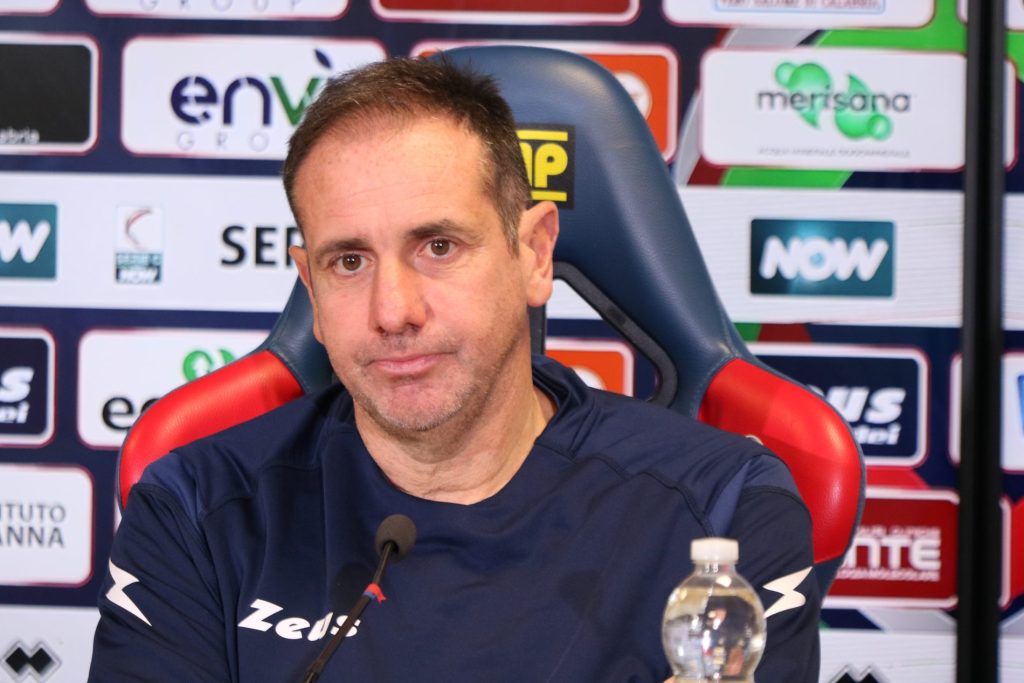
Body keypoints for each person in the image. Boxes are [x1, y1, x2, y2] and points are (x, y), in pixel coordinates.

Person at [89, 56, 820, 682]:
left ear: (534, 253)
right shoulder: (195, 509)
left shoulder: (725, 510)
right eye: (349, 261)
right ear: (310, 286)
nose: (393, 311)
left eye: (437, 247)